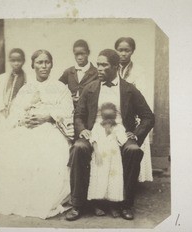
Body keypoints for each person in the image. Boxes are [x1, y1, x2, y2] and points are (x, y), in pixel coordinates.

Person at [65, 49, 154, 221]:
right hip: (94, 132)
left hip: (120, 133)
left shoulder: (129, 90)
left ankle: (125, 204)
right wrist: (82, 129)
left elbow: (148, 117)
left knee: (133, 150)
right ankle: (77, 205)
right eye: (98, 64)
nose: (99, 68)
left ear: (115, 66)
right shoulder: (90, 88)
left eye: (104, 65)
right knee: (79, 147)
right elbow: (78, 114)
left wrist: (136, 135)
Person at [0, 50, 74, 219]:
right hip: (28, 128)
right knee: (12, 146)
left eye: (47, 62)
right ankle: (21, 197)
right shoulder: (27, 89)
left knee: (47, 150)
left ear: (52, 64)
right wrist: (25, 119)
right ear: (33, 65)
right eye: (39, 62)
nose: (43, 66)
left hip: (51, 128)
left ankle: (42, 199)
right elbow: (15, 111)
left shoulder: (60, 88)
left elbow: (67, 111)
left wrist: (47, 116)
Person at [115, 37, 153, 182]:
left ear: (132, 51)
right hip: (116, 111)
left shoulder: (138, 70)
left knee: (132, 140)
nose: (123, 54)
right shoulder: (112, 67)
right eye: (120, 50)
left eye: (127, 50)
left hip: (132, 111)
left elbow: (141, 94)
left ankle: (132, 179)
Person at [0, 48, 26, 179]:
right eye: (13, 60)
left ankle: (14, 173)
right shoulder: (2, 78)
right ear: (9, 61)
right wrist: (2, 109)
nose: (16, 63)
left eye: (19, 60)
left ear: (24, 61)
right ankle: (1, 173)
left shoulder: (26, 79)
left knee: (15, 144)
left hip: (18, 116)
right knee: (1, 143)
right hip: (4, 115)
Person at [87, 102, 127, 218]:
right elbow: (93, 140)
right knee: (99, 179)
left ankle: (113, 205)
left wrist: (113, 130)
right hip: (100, 156)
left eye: (111, 118)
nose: (108, 121)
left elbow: (123, 140)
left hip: (114, 157)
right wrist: (97, 154)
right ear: (102, 116)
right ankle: (97, 205)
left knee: (113, 179)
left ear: (115, 116)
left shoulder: (119, 127)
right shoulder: (97, 126)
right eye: (106, 117)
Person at [59, 39, 98, 108]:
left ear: (88, 53)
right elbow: (58, 86)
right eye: (77, 54)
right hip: (71, 108)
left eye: (82, 54)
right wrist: (68, 98)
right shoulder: (68, 72)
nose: (79, 57)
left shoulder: (96, 73)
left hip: (88, 109)